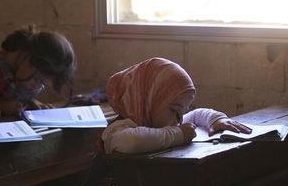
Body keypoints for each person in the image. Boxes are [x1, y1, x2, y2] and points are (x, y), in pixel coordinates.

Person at [102, 57, 252, 154]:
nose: (180, 119)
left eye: (182, 111)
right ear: (148, 100)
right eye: (174, 109)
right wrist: (179, 135)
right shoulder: (120, 130)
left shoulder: (161, 121)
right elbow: (132, 142)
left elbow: (196, 114)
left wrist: (216, 119)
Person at [0, 26, 76, 115]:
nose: (36, 87)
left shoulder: (22, 73)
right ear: (26, 57)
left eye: (43, 85)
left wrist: (30, 102)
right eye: (37, 79)